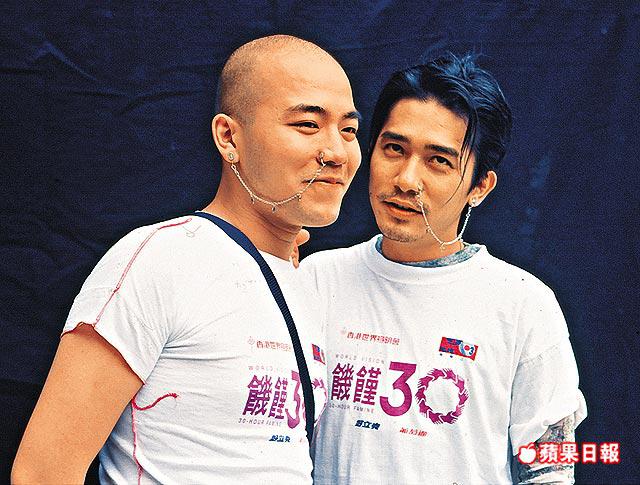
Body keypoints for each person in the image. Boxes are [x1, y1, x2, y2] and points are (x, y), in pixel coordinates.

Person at [12, 34, 361, 484]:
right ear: (229, 137)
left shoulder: (303, 281)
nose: (336, 153)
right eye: (308, 125)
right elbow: (42, 472)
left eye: (349, 130)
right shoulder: (163, 260)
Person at [302, 53, 586, 484]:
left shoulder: (524, 305)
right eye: (394, 149)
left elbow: (550, 472)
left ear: (480, 186)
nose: (406, 180)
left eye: (438, 160)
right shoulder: (316, 280)